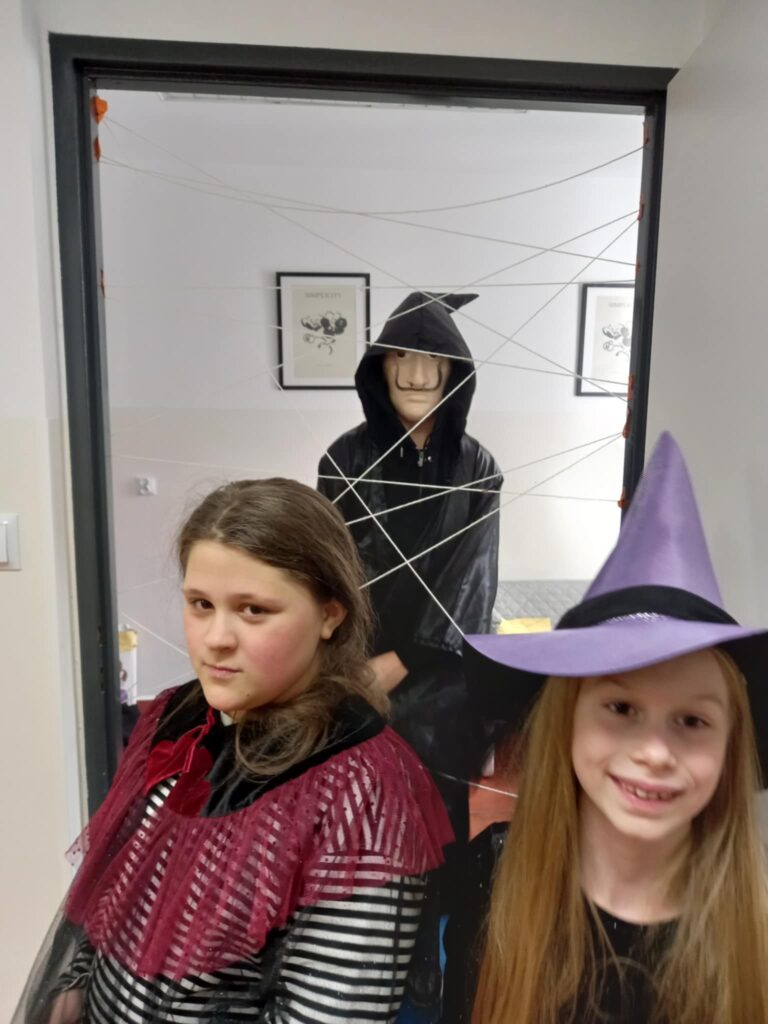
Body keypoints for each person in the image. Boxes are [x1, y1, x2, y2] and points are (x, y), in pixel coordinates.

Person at [15, 479, 453, 1024]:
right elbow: (116, 882)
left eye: (253, 610)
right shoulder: (176, 717)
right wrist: (76, 983)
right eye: (201, 604)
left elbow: (329, 1013)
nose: (216, 638)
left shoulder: (358, 789)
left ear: (330, 614)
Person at [443, 432, 768, 1024]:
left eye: (692, 720)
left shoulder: (756, 931)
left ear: (730, 743)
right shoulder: (490, 878)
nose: (654, 752)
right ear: (566, 721)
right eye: (620, 708)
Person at [318, 291, 503, 841]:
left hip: (444, 674)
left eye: (433, 359)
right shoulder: (342, 460)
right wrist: (347, 661)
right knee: (352, 813)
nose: (417, 375)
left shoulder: (478, 467)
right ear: (380, 366)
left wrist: (405, 660)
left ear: (454, 370)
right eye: (401, 355)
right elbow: (325, 567)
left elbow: (472, 579)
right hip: (355, 666)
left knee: (433, 819)